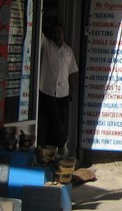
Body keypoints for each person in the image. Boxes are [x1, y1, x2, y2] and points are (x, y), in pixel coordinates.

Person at [38, 23, 78, 154]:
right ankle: (61, 144)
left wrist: (72, 90)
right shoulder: (47, 45)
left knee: (61, 121)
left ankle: (54, 148)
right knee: (52, 120)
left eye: (59, 32)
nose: (57, 35)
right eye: (54, 32)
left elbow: (71, 72)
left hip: (63, 92)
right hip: (47, 90)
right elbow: (39, 33)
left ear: (63, 34)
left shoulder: (68, 51)